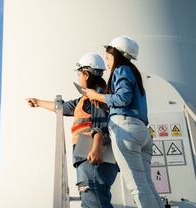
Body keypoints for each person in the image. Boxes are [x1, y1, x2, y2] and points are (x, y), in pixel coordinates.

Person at [26, 53, 119, 208]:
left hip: (93, 155)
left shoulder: (97, 95)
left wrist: (96, 149)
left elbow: (99, 122)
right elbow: (63, 107)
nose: (78, 78)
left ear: (86, 74)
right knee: (91, 198)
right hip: (88, 156)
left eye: (79, 74)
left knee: (93, 199)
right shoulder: (85, 99)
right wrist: (38, 102)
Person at [82, 36, 164, 208]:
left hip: (126, 132)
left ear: (116, 54)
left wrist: (96, 95)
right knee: (147, 185)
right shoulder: (133, 72)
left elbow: (123, 99)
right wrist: (106, 107)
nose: (107, 65)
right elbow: (127, 104)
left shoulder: (121, 70)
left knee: (138, 187)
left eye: (108, 59)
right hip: (142, 132)